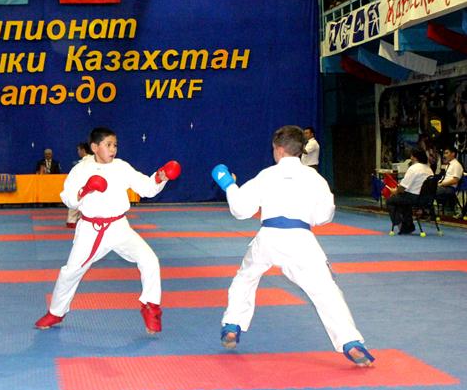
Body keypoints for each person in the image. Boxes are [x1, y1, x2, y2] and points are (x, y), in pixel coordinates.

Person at [211, 125, 374, 367]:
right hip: (301, 239)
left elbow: (241, 210)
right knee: (326, 291)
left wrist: (229, 185)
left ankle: (232, 325)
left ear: (278, 149)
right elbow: (324, 216)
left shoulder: (266, 175)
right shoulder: (315, 179)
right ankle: (351, 342)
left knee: (245, 278)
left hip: (268, 237)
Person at [35, 127, 181, 334]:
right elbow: (67, 198)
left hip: (119, 226)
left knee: (149, 260)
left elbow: (146, 188)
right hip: (90, 229)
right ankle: (56, 312)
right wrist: (85, 190)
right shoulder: (81, 170)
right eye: (108, 145)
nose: (113, 149)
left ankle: (151, 307)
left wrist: (160, 177)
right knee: (71, 272)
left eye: (115, 145)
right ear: (95, 147)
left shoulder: (121, 167)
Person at [387, 148, 433, 234]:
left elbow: (402, 187)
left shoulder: (413, 168)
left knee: (390, 201)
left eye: (411, 156)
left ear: (414, 157)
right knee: (402, 200)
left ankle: (401, 225)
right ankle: (408, 225)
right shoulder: (428, 169)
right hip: (426, 199)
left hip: (413, 198)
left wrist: (395, 191)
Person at [66, 142, 93, 228]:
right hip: (92, 187)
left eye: (78, 150)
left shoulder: (82, 163)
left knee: (75, 201)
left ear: (83, 150)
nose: (78, 152)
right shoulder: (94, 159)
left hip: (81, 186)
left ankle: (71, 221)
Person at [435, 146, 463, 215]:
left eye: (446, 153)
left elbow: (455, 180)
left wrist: (441, 184)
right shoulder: (449, 164)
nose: (444, 155)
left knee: (431, 190)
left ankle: (428, 210)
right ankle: (429, 209)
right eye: (444, 153)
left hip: (450, 188)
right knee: (427, 187)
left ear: (453, 154)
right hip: (444, 186)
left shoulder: (456, 165)